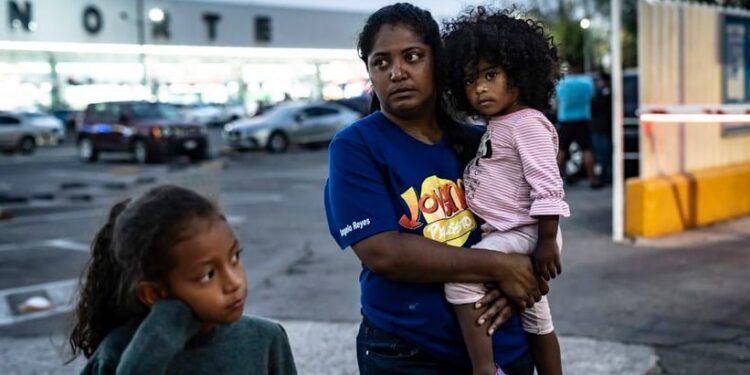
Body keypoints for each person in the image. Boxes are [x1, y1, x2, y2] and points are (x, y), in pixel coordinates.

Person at [324, 3, 548, 374]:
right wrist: (499, 267)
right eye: (381, 63)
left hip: (503, 344)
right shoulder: (355, 146)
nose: (397, 73)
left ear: (438, 62)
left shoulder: (484, 142)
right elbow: (383, 253)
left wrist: (519, 286)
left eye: (413, 56)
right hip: (409, 352)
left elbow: (535, 221)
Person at [442, 7, 570, 375]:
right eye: (469, 80)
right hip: (513, 233)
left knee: (460, 281)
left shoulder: (526, 123)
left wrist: (546, 241)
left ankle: (484, 369)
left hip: (525, 233)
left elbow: (547, 184)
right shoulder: (503, 123)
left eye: (491, 75)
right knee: (538, 321)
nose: (479, 87)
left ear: (518, 74)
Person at [68, 185, 297, 375]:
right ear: (154, 294)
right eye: (208, 275)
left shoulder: (266, 339)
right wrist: (152, 348)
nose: (234, 283)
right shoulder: (117, 354)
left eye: (234, 257)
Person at [555, 62, 600, 188]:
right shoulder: (587, 82)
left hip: (565, 119)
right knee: (587, 149)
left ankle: (553, 181)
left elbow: (557, 102)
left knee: (561, 151)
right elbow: (592, 98)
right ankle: (592, 179)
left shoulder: (562, 83)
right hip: (582, 119)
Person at [590, 71, 613, 184]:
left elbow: (594, 108)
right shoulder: (601, 94)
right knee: (602, 153)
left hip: (602, 128)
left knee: (604, 153)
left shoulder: (605, 95)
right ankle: (605, 174)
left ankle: (605, 175)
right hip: (601, 128)